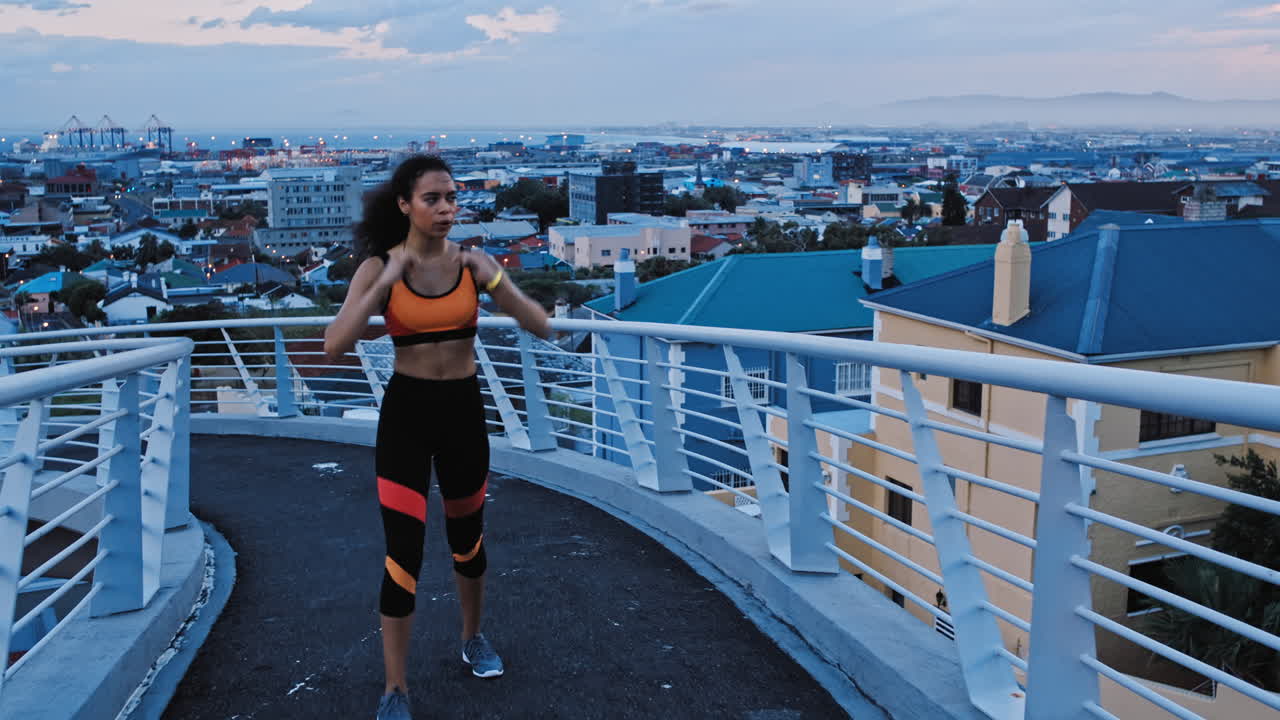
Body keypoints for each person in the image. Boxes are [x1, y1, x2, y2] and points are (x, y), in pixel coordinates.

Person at [324, 154, 551, 720]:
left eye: (452, 197)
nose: (447, 208)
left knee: (468, 541)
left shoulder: (474, 266)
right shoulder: (378, 266)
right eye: (433, 199)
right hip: (407, 414)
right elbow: (334, 344)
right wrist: (389, 278)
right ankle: (395, 688)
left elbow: (538, 322)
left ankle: (473, 637)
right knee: (402, 554)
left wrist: (497, 277)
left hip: (463, 413)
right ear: (405, 205)